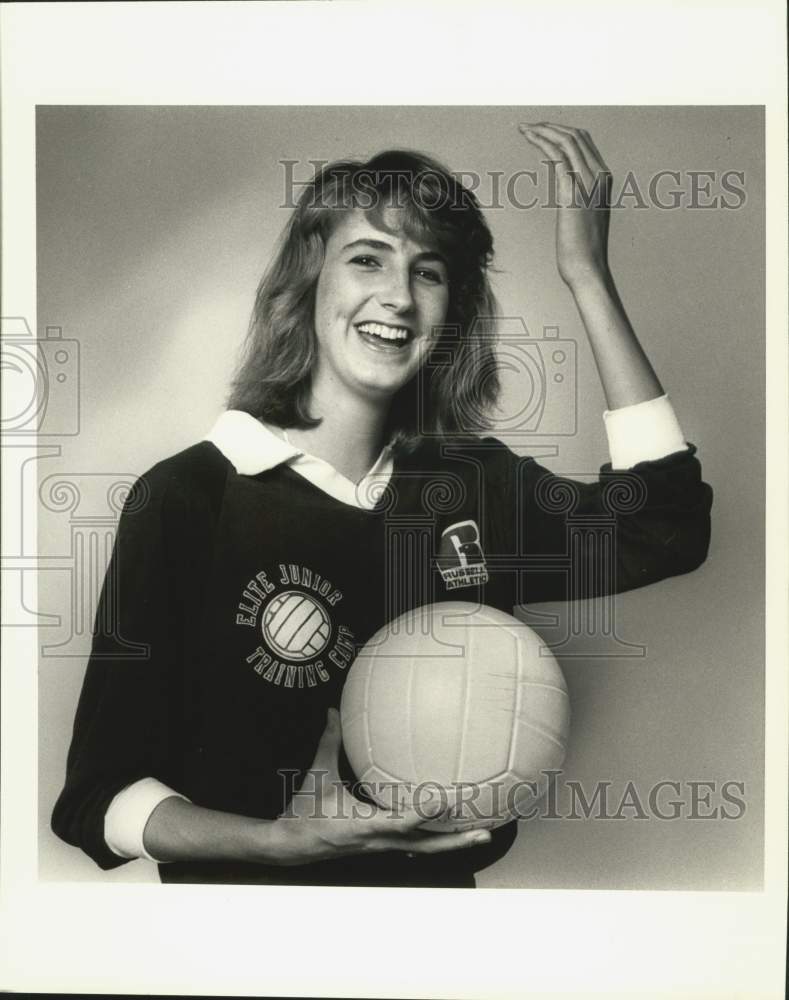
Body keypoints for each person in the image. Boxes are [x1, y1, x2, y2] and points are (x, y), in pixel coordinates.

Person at [51, 124, 713, 887]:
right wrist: (276, 843)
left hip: (437, 940)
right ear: (309, 281)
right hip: (240, 946)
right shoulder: (188, 497)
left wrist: (587, 276)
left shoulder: (472, 485)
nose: (397, 296)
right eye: (367, 258)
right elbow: (95, 800)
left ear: (450, 310)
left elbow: (667, 526)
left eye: (427, 272)